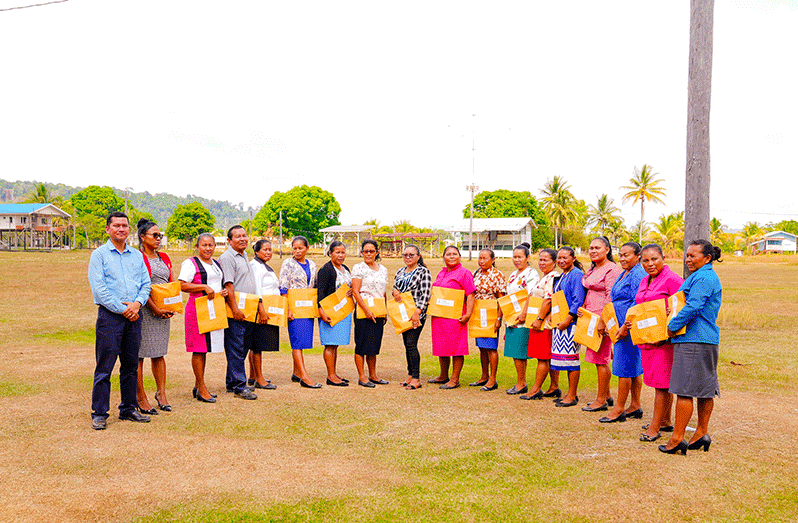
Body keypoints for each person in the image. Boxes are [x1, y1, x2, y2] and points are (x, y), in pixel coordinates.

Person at [87, 212, 152, 430]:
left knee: (131, 365)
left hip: (135, 315)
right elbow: (99, 289)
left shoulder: (136, 255)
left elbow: (146, 283)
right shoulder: (99, 255)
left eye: (124, 225)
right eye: (116, 225)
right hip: (110, 317)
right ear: (108, 229)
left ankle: (128, 408)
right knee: (105, 366)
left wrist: (137, 304)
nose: (121, 229)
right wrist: (123, 309)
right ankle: (99, 413)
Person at [660, 240, 723, 455]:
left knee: (684, 390)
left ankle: (677, 438)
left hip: (694, 339)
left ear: (707, 258)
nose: (688, 259)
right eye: (687, 255)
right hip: (704, 340)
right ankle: (701, 433)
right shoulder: (702, 275)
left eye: (693, 256)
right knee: (705, 390)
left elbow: (693, 305)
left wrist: (672, 326)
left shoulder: (704, 277)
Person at [633, 244, 684, 441]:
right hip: (647, 338)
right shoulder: (645, 280)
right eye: (645, 260)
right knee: (658, 381)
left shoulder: (672, 280)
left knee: (662, 384)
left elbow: (681, 305)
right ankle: (665, 420)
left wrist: (668, 325)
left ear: (663, 258)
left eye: (654, 259)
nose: (650, 264)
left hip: (664, 340)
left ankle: (654, 427)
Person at [598, 242, 647, 423]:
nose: (623, 259)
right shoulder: (624, 273)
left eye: (627, 255)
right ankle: (635, 405)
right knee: (633, 367)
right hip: (618, 325)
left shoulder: (638, 274)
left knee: (624, 367)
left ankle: (619, 408)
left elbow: (637, 302)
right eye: (621, 255)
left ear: (638, 256)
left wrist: (625, 326)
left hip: (627, 328)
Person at [179, 233, 228, 403]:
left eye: (211, 245)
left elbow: (215, 286)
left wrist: (221, 292)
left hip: (213, 309)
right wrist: (204, 286)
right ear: (197, 246)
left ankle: (197, 385)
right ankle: (202, 387)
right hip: (197, 310)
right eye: (204, 245)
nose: (208, 248)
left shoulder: (216, 264)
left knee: (205, 348)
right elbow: (182, 284)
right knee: (199, 348)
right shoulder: (190, 263)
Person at [135, 219, 174, 415]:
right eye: (154, 235)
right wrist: (154, 308)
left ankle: (161, 393)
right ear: (143, 237)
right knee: (140, 355)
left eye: (160, 235)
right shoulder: (137, 258)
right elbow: (141, 286)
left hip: (163, 311)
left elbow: (171, 283)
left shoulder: (164, 257)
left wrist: (171, 305)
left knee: (159, 353)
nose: (158, 239)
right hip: (145, 310)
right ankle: (140, 396)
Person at [580, 236, 622, 412]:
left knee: (601, 359)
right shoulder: (592, 269)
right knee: (597, 357)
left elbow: (610, 296)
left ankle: (600, 400)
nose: (593, 251)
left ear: (607, 250)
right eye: (591, 248)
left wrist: (603, 321)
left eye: (597, 247)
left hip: (602, 319)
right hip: (590, 317)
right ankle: (607, 395)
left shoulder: (611, 269)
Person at [218, 225, 260, 400]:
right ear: (229, 240)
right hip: (236, 310)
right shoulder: (227, 257)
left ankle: (231, 381)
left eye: (244, 236)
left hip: (248, 308)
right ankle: (239, 386)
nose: (242, 239)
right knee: (235, 347)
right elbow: (229, 284)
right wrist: (235, 308)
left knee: (242, 346)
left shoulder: (243, 255)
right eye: (238, 237)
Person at [429, 245, 476, 390]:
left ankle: (455, 379)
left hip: (455, 317)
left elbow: (471, 294)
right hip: (440, 316)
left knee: (456, 347)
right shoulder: (441, 273)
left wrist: (468, 314)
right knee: (442, 346)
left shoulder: (464, 273)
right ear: (443, 257)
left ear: (459, 256)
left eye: (455, 254)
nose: (451, 256)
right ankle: (443, 375)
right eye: (448, 254)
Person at [279, 236, 320, 388]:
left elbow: (314, 285)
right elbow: (283, 287)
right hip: (294, 308)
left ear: (307, 248)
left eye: (300, 248)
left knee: (303, 341)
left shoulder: (313, 265)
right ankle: (304, 376)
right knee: (296, 341)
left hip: (307, 308)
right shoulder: (288, 263)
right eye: (294, 248)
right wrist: (287, 308)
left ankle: (296, 372)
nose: (297, 251)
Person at [520, 249, 560, 400]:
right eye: (540, 260)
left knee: (543, 357)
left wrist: (540, 318)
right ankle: (554, 386)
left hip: (543, 322)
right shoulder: (545, 277)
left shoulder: (553, 277)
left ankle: (536, 389)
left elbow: (548, 300)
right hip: (538, 319)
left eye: (546, 260)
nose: (542, 263)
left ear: (554, 262)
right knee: (547, 356)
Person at [392, 244, 432, 390]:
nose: (408, 257)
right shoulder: (400, 271)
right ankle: (410, 375)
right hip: (402, 313)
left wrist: (418, 312)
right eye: (405, 255)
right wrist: (394, 292)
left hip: (416, 313)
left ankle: (416, 378)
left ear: (418, 256)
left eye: (411, 255)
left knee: (411, 343)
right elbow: (395, 287)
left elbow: (426, 293)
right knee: (406, 344)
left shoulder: (423, 272)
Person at [550, 246, 586, 408]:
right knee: (564, 359)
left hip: (570, 323)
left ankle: (572, 395)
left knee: (571, 359)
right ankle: (569, 393)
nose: (562, 260)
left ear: (574, 258)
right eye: (559, 258)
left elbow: (578, 300)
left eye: (565, 257)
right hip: (561, 321)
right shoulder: (564, 274)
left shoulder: (577, 275)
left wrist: (567, 320)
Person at [351, 240, 389, 387]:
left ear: (377, 252)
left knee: (374, 345)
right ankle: (362, 376)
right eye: (365, 251)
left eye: (371, 251)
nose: (368, 254)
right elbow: (355, 291)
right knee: (361, 344)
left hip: (378, 311)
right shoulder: (358, 268)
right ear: (361, 252)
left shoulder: (383, 269)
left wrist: (384, 311)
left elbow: (383, 292)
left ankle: (373, 375)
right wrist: (366, 311)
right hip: (363, 310)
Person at [316, 241, 353, 386]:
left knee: (335, 344)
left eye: (343, 252)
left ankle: (334, 373)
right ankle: (331, 376)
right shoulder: (326, 270)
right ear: (330, 253)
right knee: (330, 344)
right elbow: (321, 292)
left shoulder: (346, 268)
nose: (340, 255)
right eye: (337, 252)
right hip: (329, 312)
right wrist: (321, 312)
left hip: (343, 312)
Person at [503, 243, 538, 395]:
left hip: (524, 317)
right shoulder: (513, 274)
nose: (516, 260)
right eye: (514, 257)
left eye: (520, 257)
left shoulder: (531, 273)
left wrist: (524, 314)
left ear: (527, 258)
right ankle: (520, 381)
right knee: (515, 351)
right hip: (512, 317)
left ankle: (521, 383)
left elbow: (532, 294)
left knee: (520, 351)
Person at [469, 248, 506, 391]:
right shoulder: (476, 273)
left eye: (485, 258)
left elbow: (501, 298)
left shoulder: (497, 275)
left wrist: (498, 318)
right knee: (481, 346)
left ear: (493, 260)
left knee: (491, 347)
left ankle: (492, 379)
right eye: (480, 258)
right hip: (478, 315)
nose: (482, 261)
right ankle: (484, 376)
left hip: (491, 313)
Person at [248, 239, 280, 390]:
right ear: (256, 251)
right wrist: (261, 310)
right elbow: (257, 289)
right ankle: (259, 379)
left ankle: (253, 375)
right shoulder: (255, 266)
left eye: (270, 249)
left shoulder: (264, 266)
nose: (268, 252)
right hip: (261, 309)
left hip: (269, 308)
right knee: (257, 345)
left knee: (256, 344)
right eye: (265, 250)